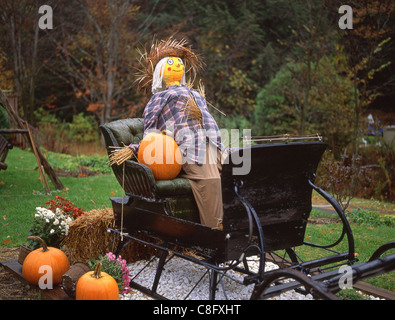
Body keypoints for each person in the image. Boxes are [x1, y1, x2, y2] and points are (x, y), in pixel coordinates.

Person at [130, 37, 224, 229]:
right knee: (210, 179)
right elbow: (152, 131)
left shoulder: (195, 94)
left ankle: (247, 227)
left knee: (242, 170)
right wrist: (140, 147)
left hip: (211, 143)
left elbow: (207, 120)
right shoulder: (159, 98)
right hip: (186, 148)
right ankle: (216, 233)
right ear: (160, 72)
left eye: (179, 64)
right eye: (170, 64)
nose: (177, 66)